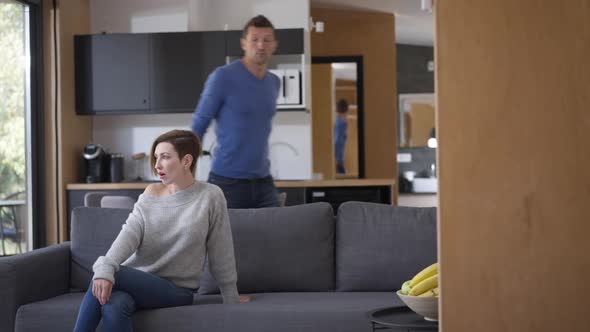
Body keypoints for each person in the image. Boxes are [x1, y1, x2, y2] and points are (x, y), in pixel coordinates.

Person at [73, 130, 249, 332]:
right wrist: (106, 269)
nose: (157, 165)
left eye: (165, 157)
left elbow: (221, 248)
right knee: (113, 304)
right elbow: (129, 234)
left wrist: (231, 296)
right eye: (156, 157)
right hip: (138, 282)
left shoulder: (210, 196)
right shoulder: (150, 193)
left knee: (110, 269)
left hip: (177, 290)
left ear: (186, 161)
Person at [191, 15, 281, 209]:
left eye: (266, 40)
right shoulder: (223, 77)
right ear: (243, 43)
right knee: (227, 240)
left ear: (274, 45)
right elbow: (199, 123)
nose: (260, 45)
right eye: (254, 39)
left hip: (264, 182)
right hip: (227, 182)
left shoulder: (274, 83)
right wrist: (184, 172)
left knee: (276, 236)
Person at [334, 99, 349, 174]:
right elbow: (337, 142)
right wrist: (339, 162)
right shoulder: (342, 123)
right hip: (338, 160)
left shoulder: (336, 121)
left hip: (337, 160)